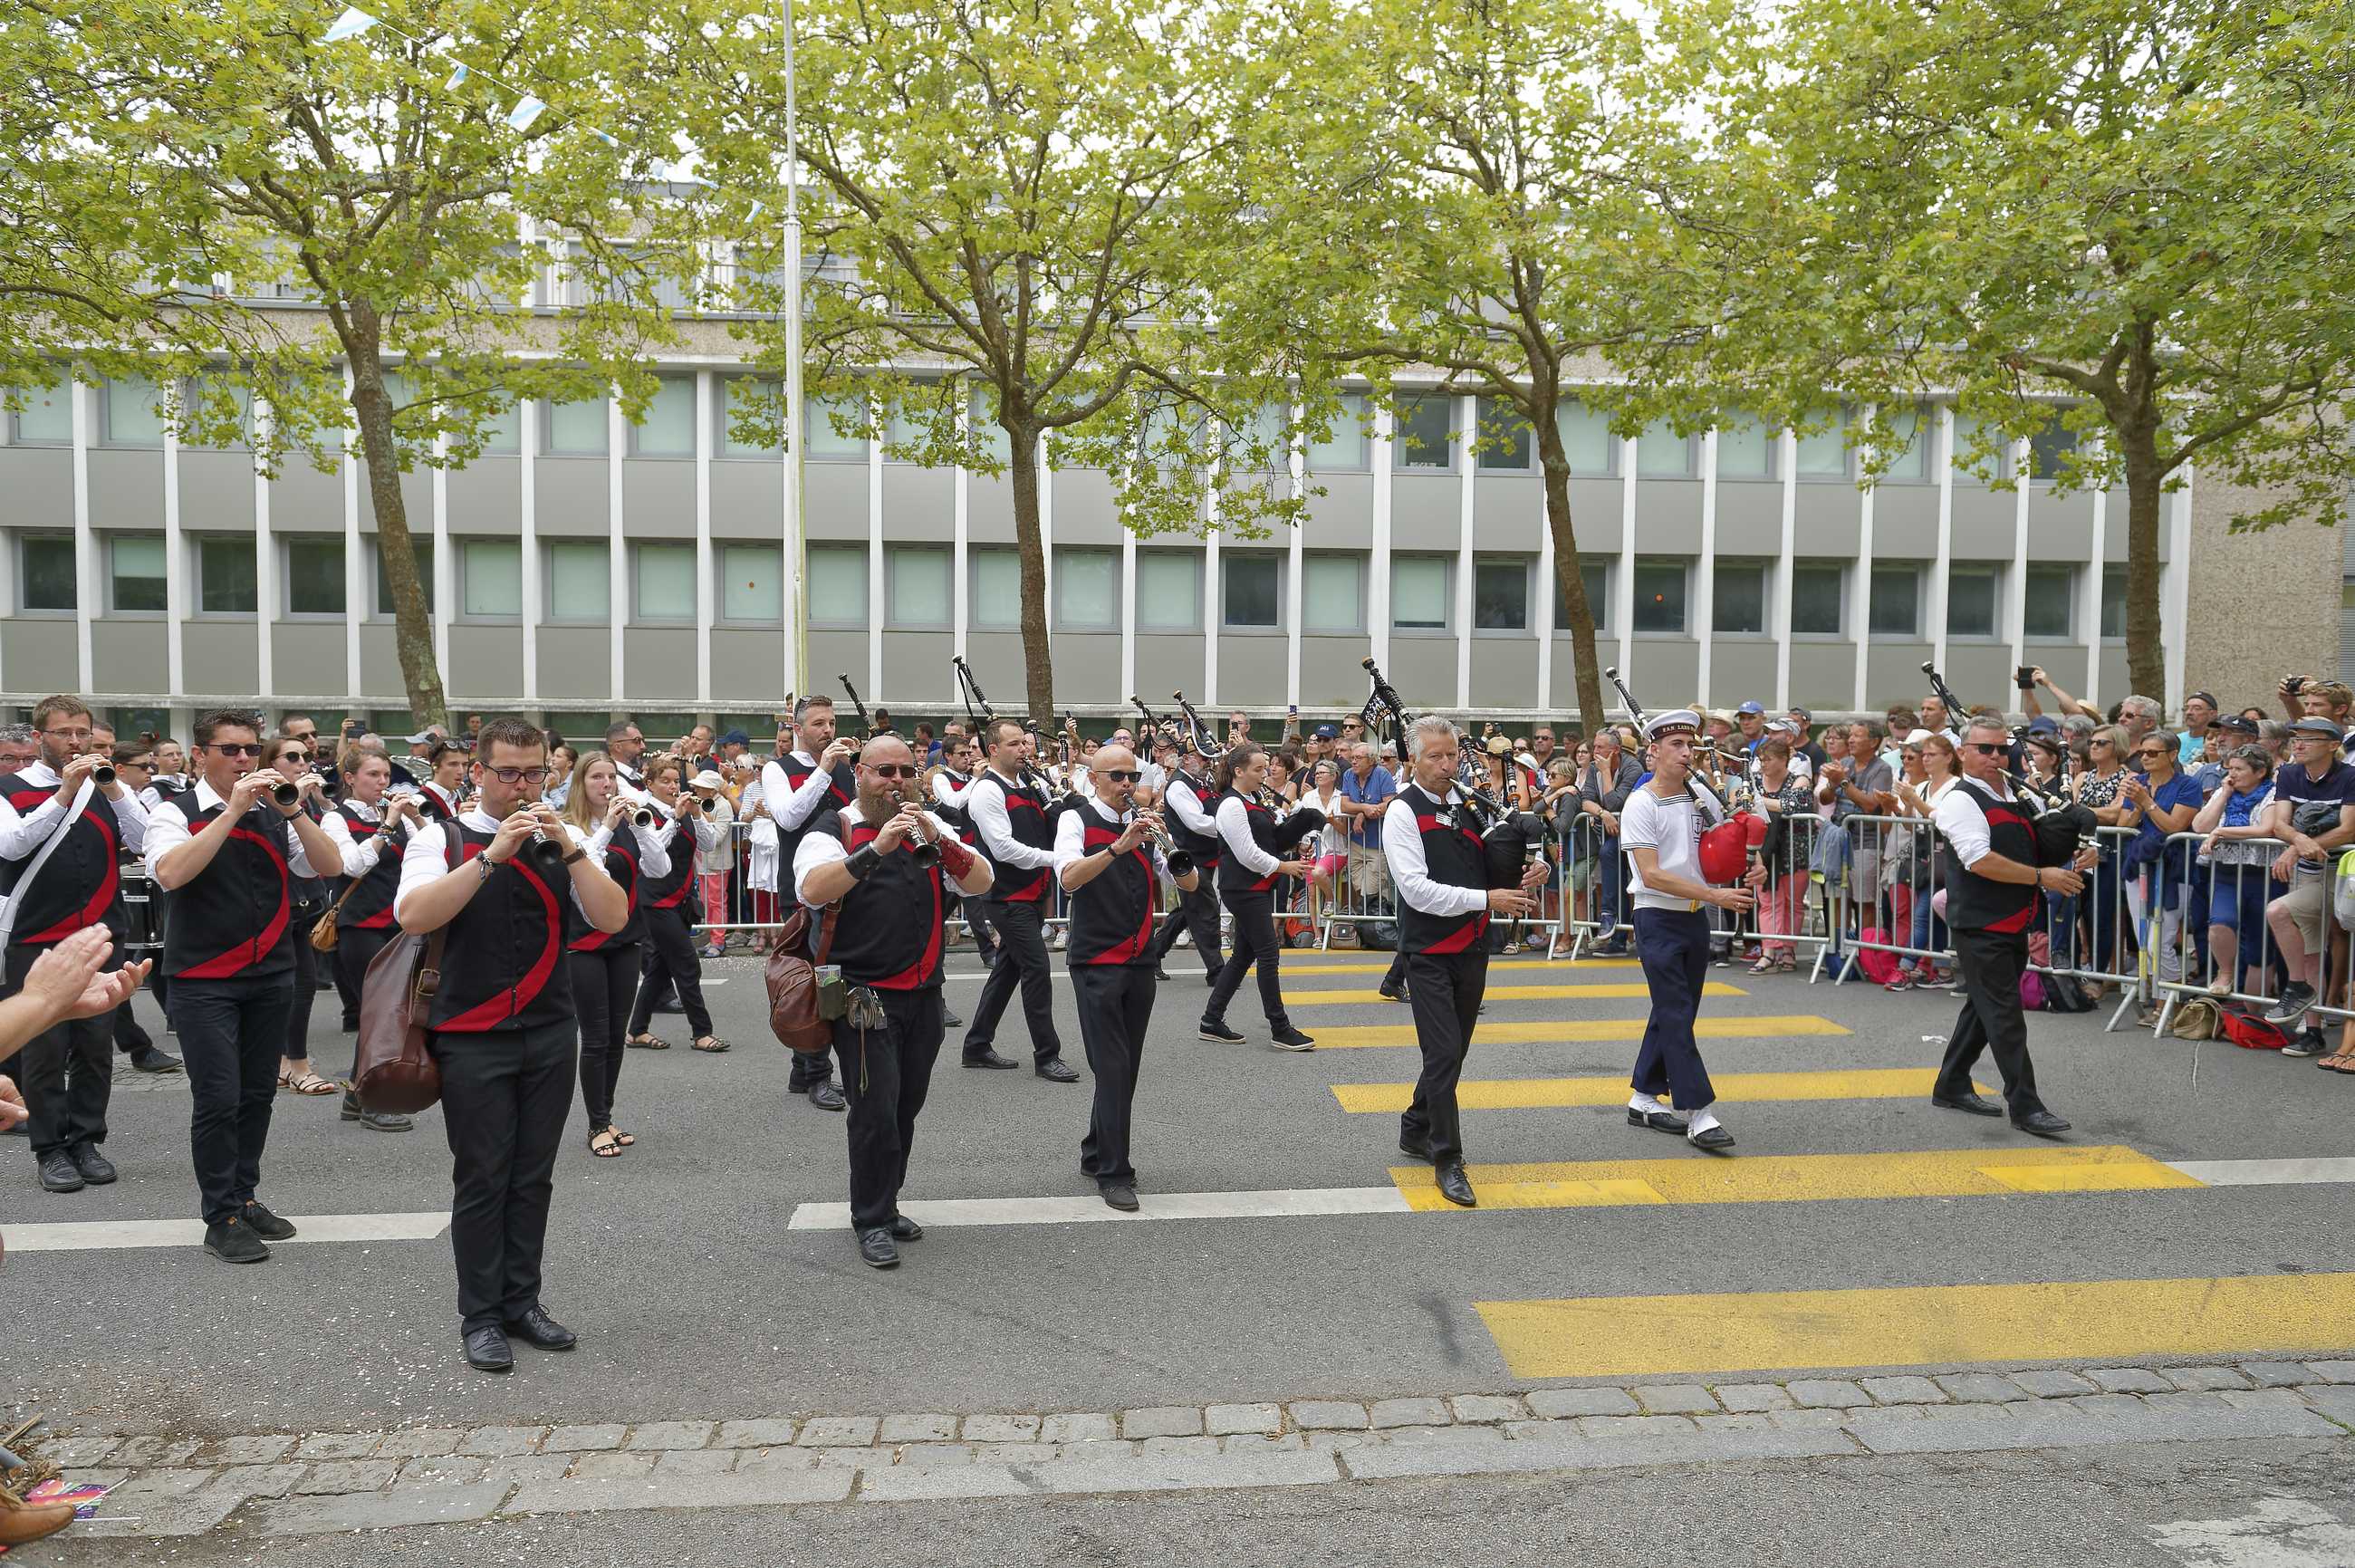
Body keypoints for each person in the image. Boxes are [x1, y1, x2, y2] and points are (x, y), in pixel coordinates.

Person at [393, 717, 626, 1370]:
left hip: (549, 1029)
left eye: (534, 774)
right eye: (508, 773)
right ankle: (481, 1315)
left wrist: (572, 849)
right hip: (471, 1034)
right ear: (479, 772)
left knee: (532, 1176)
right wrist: (492, 855)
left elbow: (612, 917)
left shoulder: (562, 837)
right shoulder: (442, 836)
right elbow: (413, 915)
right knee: (483, 1176)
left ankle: (522, 1301)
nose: (523, 787)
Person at [147, 709, 342, 1261]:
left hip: (270, 972)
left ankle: (244, 1195)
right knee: (217, 1096)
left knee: (257, 1094)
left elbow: (330, 865)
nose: (242, 760)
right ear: (200, 755)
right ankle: (220, 1216)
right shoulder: (174, 811)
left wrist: (294, 811)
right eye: (229, 750)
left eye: (251, 750)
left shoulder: (276, 812)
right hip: (202, 978)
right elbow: (171, 873)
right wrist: (232, 810)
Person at [794, 735, 995, 1267]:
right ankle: (870, 1218)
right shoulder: (834, 826)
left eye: (906, 771)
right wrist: (875, 849)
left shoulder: (927, 824)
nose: (897, 781)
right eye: (885, 771)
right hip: (859, 993)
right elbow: (813, 888)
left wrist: (939, 839)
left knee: (906, 1105)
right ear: (861, 773)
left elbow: (981, 881)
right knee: (874, 1110)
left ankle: (886, 1202)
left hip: (924, 994)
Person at [1382, 717, 1543, 1208]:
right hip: (1427, 951)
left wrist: (1535, 867)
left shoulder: (1472, 804)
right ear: (1414, 759)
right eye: (1435, 756)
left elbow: (1499, 859)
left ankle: (1416, 1124)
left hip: (1472, 947)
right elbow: (1416, 890)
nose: (1446, 764)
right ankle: (1447, 1157)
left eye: (1451, 754)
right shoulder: (1402, 812)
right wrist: (1487, 899)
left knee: (1453, 1052)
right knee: (1444, 1052)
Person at [0, 695, 152, 1193]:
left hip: (100, 935)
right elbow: (12, 845)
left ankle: (87, 1140)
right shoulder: (10, 788)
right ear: (39, 736)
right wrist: (64, 792)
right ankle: (49, 1148)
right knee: (43, 1047)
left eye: (82, 733)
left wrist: (114, 790)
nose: (74, 742)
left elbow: (145, 841)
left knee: (94, 1047)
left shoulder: (105, 788)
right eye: (63, 733)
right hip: (37, 937)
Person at [1056, 744, 1197, 1211]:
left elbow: (1188, 883)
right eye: (1116, 776)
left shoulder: (1145, 825)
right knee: (1112, 1068)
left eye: (1132, 776)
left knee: (1126, 1067)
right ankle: (1114, 1172)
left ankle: (1095, 1149)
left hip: (1139, 961)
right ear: (1095, 779)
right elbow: (1069, 878)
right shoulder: (1076, 819)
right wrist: (1119, 848)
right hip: (1095, 961)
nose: (1126, 785)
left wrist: (1170, 846)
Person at [1928, 717, 2086, 1136]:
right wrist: (2040, 877)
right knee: (2004, 1014)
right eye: (1985, 749)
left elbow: (2032, 847)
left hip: (2011, 921)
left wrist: (2076, 852)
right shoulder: (1960, 800)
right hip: (1980, 924)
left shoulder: (2013, 794)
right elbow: (1979, 860)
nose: (1996, 756)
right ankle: (2025, 1105)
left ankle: (1951, 1083)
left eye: (2002, 749)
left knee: (1984, 1007)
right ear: (1962, 753)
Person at [1620, 710, 1757, 1152]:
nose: (1687, 753)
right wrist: (1716, 895)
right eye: (1676, 745)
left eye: (1690, 745)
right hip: (1657, 917)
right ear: (1654, 751)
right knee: (1676, 1012)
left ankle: (1643, 1097)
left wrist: (1753, 862)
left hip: (1694, 917)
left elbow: (1727, 843)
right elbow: (1652, 874)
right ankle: (1699, 1112)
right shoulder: (1640, 803)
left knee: (1674, 1011)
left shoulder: (1702, 797)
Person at [558, 751, 671, 1158]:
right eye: (596, 777)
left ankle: (605, 1117)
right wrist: (606, 827)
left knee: (615, 1037)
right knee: (594, 1036)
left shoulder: (626, 822)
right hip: (583, 943)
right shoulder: (567, 827)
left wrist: (641, 828)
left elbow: (659, 869)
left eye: (611, 777)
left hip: (625, 938)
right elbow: (586, 865)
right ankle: (596, 1124)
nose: (606, 784)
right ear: (580, 783)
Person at [961, 718, 1079, 1081]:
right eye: (1014, 744)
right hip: (1007, 897)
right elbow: (1003, 848)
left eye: (1023, 743)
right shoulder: (987, 791)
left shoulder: (1028, 784)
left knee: (1007, 970)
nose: (1023, 750)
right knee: (1037, 969)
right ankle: (1047, 1055)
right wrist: (1056, 859)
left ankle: (976, 1045)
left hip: (1031, 894)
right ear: (993, 750)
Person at [761, 697, 860, 1109]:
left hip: (843, 882)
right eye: (819, 723)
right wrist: (823, 771)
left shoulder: (844, 768)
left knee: (828, 977)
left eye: (832, 722)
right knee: (819, 981)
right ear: (798, 729)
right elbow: (788, 817)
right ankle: (818, 1072)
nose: (828, 730)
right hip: (802, 888)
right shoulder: (778, 769)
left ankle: (803, 1070)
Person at [318, 749, 425, 1131]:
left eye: (386, 775)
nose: (383, 782)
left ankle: (356, 1096)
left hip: (400, 926)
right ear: (350, 778)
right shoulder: (336, 818)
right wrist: (387, 825)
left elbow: (433, 852)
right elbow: (352, 865)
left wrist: (415, 817)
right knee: (380, 1015)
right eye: (373, 775)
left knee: (391, 1014)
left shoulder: (397, 817)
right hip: (360, 928)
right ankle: (372, 1100)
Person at [1198, 742, 1321, 1052]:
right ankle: (1279, 1027)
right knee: (1268, 954)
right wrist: (1284, 866)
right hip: (1243, 888)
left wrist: (1300, 828)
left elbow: (1270, 840)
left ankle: (1211, 1020)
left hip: (1255, 886)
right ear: (1239, 771)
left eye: (1265, 768)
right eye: (1258, 769)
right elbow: (1247, 853)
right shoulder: (1230, 805)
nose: (1264, 774)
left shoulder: (1253, 799)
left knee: (1243, 956)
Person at [2260, 717, 2355, 1057]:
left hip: (2342, 875)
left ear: (2333, 745)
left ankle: (2298, 988)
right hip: (2308, 872)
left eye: (2310, 739)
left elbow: (2348, 830)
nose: (2298, 744)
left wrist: (2296, 847)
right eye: (2296, 738)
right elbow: (2280, 825)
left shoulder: (2349, 776)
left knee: (2278, 912)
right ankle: (2312, 1032)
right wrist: (2298, 842)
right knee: (2310, 950)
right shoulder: (2289, 773)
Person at [622, 758, 728, 1055]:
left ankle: (636, 1030)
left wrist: (695, 815)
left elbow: (707, 844)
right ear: (650, 784)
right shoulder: (644, 813)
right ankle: (701, 1032)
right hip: (655, 901)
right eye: (665, 781)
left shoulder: (683, 811)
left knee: (659, 969)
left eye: (675, 781)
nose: (673, 787)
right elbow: (652, 847)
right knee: (687, 963)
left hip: (679, 900)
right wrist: (676, 819)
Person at [255, 734, 340, 1101]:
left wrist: (322, 802)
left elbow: (330, 851)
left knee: (303, 986)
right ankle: (288, 1062)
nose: (303, 763)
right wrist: (293, 801)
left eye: (306, 756)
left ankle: (292, 1062)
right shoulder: (259, 800)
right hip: (273, 906)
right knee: (279, 989)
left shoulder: (310, 800)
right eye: (292, 757)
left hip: (307, 901)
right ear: (270, 764)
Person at [2193, 745, 2278, 1000]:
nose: (2232, 773)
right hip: (2226, 871)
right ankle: (2225, 973)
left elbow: (2266, 828)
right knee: (2220, 922)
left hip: (2262, 874)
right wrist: (2224, 795)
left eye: (2239, 769)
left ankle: (2253, 1011)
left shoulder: (2273, 793)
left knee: (2259, 947)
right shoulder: (2224, 790)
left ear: (2260, 772)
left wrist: (2221, 832)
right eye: (2230, 768)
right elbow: (2199, 826)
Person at [1149, 733, 1226, 981]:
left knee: (1189, 910)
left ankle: (1151, 955)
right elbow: (1197, 822)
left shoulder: (1203, 780)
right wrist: (1230, 826)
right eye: (1203, 758)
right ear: (1186, 759)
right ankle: (1216, 970)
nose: (1208, 762)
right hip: (1188, 859)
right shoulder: (1179, 786)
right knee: (1206, 910)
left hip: (1205, 855)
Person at [688, 769, 736, 959]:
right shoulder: (700, 803)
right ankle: (712, 937)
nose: (697, 789)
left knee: (716, 902)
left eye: (701, 787)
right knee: (706, 902)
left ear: (711, 789)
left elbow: (717, 837)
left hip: (717, 863)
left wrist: (704, 820)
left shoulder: (723, 805)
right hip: (702, 862)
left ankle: (718, 940)